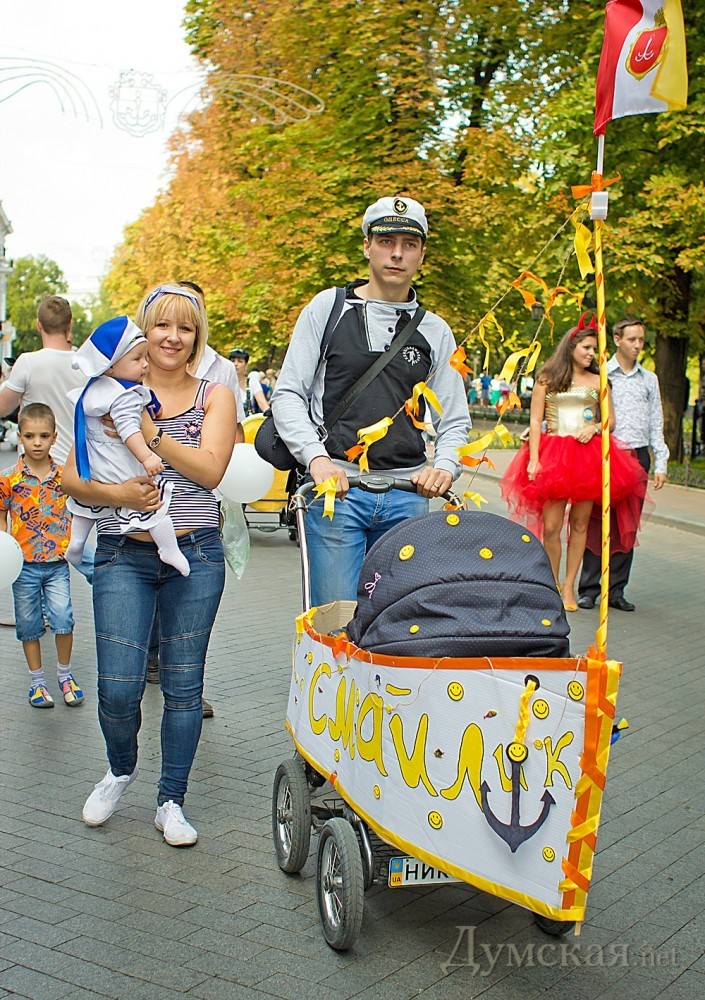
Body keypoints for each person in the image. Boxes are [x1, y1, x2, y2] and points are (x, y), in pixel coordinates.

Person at [62, 283, 236, 846]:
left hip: (196, 555)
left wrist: (148, 432)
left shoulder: (215, 394)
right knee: (117, 686)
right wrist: (119, 496)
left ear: (197, 337)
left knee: (184, 687)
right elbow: (70, 477)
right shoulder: (104, 390)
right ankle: (120, 769)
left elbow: (209, 471)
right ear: (143, 332)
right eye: (162, 324)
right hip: (122, 553)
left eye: (185, 327)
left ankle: (171, 801)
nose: (172, 337)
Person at [270, 195, 471, 606]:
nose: (397, 253)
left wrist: (445, 467)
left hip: (408, 493)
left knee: (396, 622)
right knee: (334, 621)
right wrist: (316, 459)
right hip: (336, 490)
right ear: (367, 246)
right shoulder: (328, 308)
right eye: (385, 241)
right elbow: (288, 394)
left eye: (409, 244)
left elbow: (454, 419)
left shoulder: (435, 330)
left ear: (421, 254)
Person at [500, 315, 649, 612]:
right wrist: (534, 459)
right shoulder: (547, 378)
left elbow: (610, 421)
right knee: (551, 526)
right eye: (587, 348)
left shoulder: (599, 380)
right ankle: (552, 582)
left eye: (595, 349)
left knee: (580, 524)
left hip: (586, 457)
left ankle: (569, 585)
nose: (592, 354)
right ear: (571, 347)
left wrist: (593, 427)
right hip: (554, 454)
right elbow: (535, 420)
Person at [65, 316, 189, 577]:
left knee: (88, 505)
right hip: (121, 468)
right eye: (137, 359)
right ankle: (168, 548)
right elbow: (129, 429)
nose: (145, 364)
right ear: (110, 367)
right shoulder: (124, 396)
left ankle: (76, 543)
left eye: (145, 357)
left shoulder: (95, 389)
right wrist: (147, 457)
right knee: (154, 502)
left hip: (97, 468)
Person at [578, 317, 668, 612]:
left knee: (626, 526)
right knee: (596, 521)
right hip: (606, 453)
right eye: (632, 339)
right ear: (617, 340)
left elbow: (656, 421)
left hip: (637, 455)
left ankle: (616, 589)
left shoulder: (649, 379)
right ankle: (588, 588)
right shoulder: (602, 374)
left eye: (641, 340)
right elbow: (580, 409)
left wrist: (661, 461)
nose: (637, 345)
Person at [0, 403, 83, 708]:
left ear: (54, 437)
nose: (37, 442)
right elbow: (2, 513)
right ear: (20, 436)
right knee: (28, 623)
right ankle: (37, 682)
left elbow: (79, 509)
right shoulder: (8, 478)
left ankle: (65, 675)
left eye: (44, 436)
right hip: (22, 565)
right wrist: (4, 546)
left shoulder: (64, 477)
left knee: (63, 618)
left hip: (57, 564)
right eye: (30, 436)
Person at [0, 296, 86, 464]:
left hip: (35, 466)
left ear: (39, 324)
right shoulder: (86, 365)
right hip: (74, 467)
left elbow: (3, 408)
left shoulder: (27, 363)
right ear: (69, 324)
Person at [230, 349, 270, 416]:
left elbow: (262, 402)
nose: (235, 364)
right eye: (233, 361)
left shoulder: (252, 382)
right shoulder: (224, 382)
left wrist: (269, 413)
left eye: (240, 361)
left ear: (246, 365)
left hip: (247, 421)